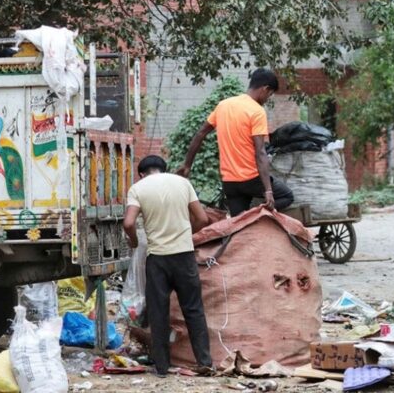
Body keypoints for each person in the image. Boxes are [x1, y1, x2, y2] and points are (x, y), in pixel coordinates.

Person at [123, 155, 212, 378]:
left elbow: (129, 222)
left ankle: (162, 367)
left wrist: (133, 242)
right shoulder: (183, 183)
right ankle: (205, 362)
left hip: (158, 259)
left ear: (142, 173)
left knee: (158, 313)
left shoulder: (137, 188)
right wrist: (186, 236)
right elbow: (202, 218)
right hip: (184, 256)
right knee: (193, 309)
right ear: (164, 169)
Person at [176, 68, 294, 215]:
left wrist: (187, 165)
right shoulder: (256, 111)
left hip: (229, 182)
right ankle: (254, 215)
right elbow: (260, 152)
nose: (267, 99)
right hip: (251, 179)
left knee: (238, 223)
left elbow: (200, 134)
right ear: (265, 89)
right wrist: (268, 190)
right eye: (269, 95)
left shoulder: (223, 105)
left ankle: (246, 218)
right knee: (287, 196)